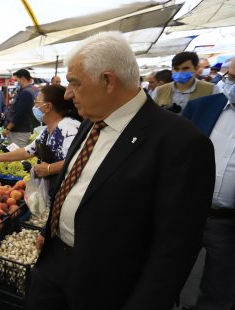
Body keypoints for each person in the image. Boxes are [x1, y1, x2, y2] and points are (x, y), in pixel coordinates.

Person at [25, 31, 215, 310]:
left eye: (74, 83)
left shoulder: (181, 142)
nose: (67, 94)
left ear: (107, 81)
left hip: (107, 286)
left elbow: (174, 251)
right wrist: (51, 228)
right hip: (54, 267)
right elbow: (74, 181)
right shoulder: (92, 119)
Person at [182, 64, 235, 310]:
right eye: (231, 77)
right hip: (186, 211)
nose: (231, 84)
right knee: (166, 272)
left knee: (220, 287)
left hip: (228, 221)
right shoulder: (202, 108)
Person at [0, 85, 81, 190]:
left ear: (48, 107)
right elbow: (27, 151)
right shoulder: (48, 130)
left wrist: (50, 169)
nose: (34, 106)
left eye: (37, 103)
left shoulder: (67, 128)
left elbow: (78, 160)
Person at [153, 52, 221, 112]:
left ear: (196, 68)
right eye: (176, 69)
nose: (180, 72)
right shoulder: (159, 91)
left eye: (185, 68)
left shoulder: (211, 90)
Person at [6, 69, 38, 147]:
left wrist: (8, 128)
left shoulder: (26, 93)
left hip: (19, 132)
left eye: (17, 80)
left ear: (23, 79)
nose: (16, 83)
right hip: (22, 130)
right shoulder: (28, 90)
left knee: (16, 156)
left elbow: (20, 114)